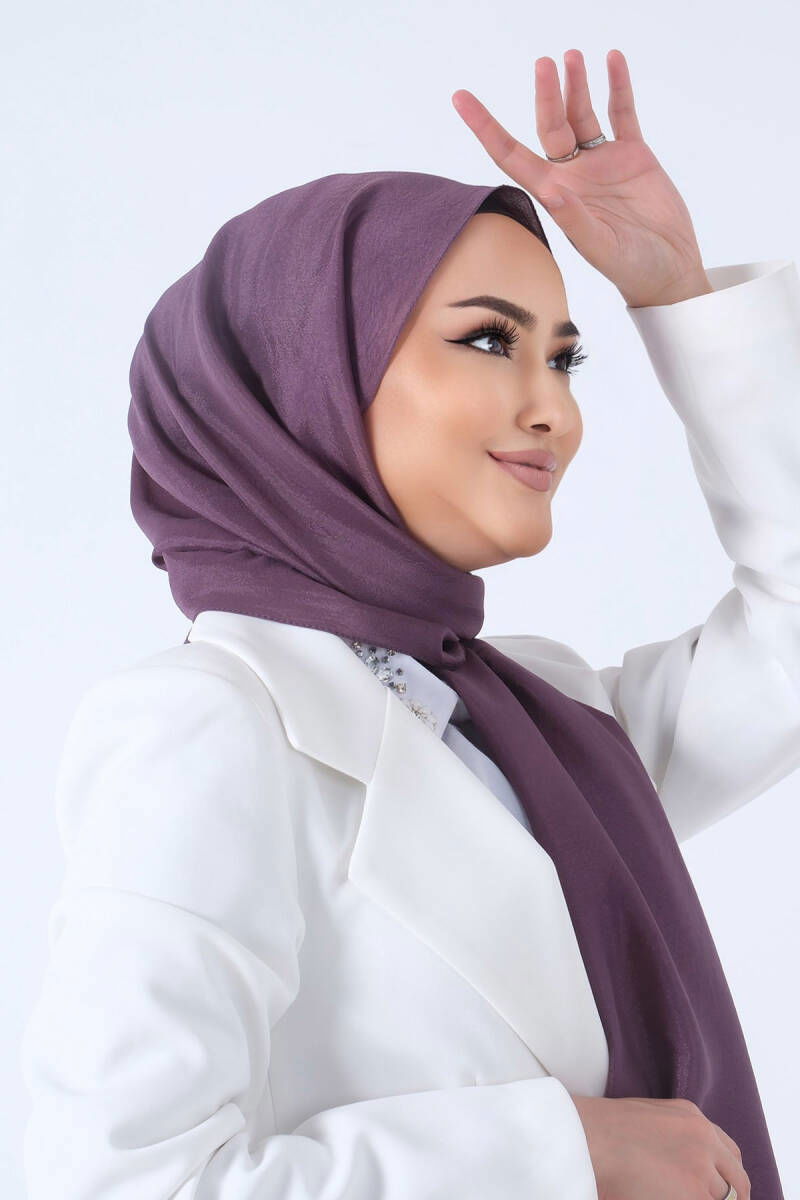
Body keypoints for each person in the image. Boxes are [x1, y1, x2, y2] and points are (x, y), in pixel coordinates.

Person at [20, 48, 798, 1200]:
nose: (554, 409)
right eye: (488, 339)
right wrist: (562, 1156)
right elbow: (119, 1181)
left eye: (564, 358)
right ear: (304, 372)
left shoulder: (542, 718)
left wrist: (676, 294)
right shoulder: (208, 726)